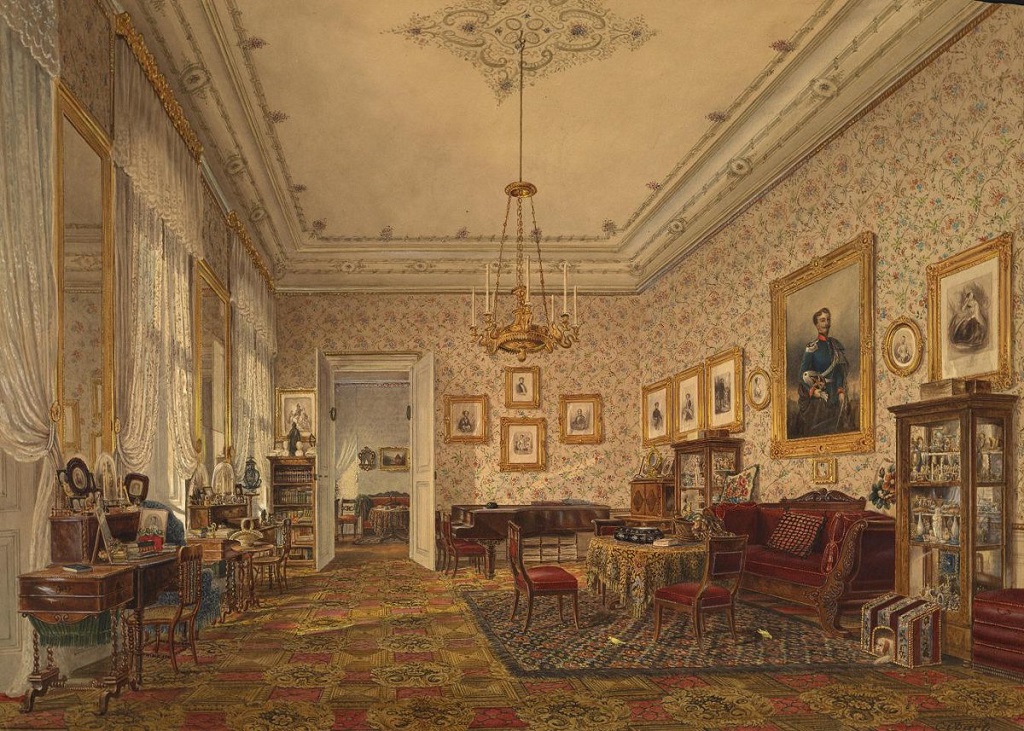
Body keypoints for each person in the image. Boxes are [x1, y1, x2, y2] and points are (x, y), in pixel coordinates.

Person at [796, 307, 852, 437]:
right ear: (816, 325)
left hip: (835, 396)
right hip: (819, 399)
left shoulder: (835, 345)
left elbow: (838, 371)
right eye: (822, 320)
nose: (826, 323)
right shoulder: (812, 347)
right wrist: (813, 391)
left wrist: (840, 390)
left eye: (828, 319)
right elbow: (801, 375)